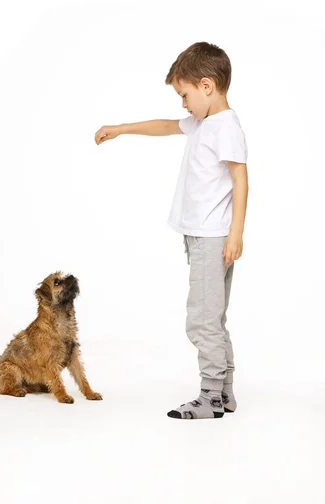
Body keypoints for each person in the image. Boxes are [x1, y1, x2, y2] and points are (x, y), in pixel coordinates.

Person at [94, 42, 249, 420]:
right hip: (202, 236)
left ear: (207, 86)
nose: (183, 104)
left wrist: (235, 234)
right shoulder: (204, 123)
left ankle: (211, 397)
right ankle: (224, 393)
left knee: (201, 319)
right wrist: (122, 129)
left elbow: (240, 179)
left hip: (213, 238)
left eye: (185, 94)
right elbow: (165, 126)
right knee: (213, 317)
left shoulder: (225, 127)